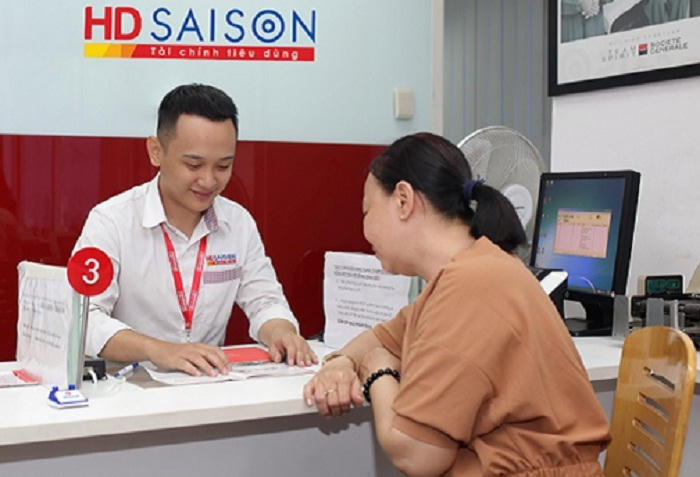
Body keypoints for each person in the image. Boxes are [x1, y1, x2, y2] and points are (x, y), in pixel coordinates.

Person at [303, 133, 610, 476]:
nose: (364, 228)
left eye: (367, 210)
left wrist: (379, 371)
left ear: (403, 200)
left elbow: (417, 455)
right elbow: (381, 339)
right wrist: (341, 363)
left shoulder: (471, 286)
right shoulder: (467, 274)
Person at [74, 84, 316, 376]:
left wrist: (282, 332)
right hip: (129, 386)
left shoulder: (238, 223)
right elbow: (84, 318)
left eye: (223, 166)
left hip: (207, 385)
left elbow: (265, 300)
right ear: (155, 151)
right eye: (193, 165)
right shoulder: (111, 221)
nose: (208, 181)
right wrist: (158, 350)